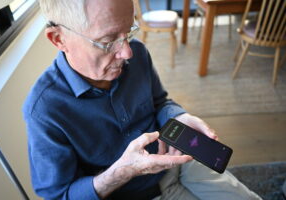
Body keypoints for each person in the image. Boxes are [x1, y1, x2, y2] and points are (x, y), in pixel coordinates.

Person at [23, 0, 262, 199]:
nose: (127, 52)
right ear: (58, 39)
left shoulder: (138, 54)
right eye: (107, 41)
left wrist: (180, 116)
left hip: (179, 160)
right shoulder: (44, 110)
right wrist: (122, 172)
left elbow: (159, 103)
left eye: (129, 32)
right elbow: (59, 195)